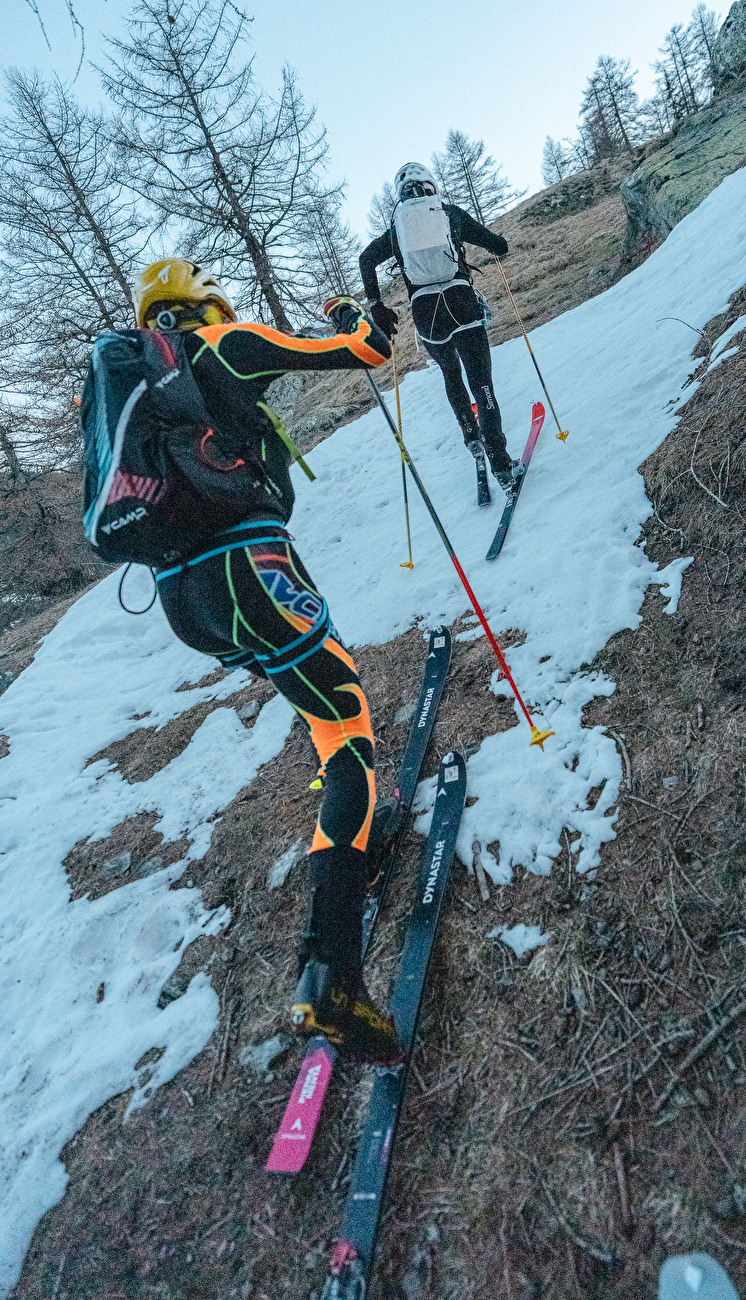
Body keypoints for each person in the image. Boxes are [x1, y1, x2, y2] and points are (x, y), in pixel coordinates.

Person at [130, 258, 401, 1065]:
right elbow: (365, 352)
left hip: (185, 600)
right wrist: (356, 309)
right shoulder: (225, 343)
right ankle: (331, 978)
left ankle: (344, 827)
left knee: (311, 698)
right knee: (346, 724)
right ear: (204, 301)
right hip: (252, 568)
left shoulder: (138, 387)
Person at [359, 161, 518, 490]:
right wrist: (496, 243)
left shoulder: (397, 229)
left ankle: (470, 438)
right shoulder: (449, 212)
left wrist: (376, 305)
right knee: (481, 383)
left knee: (451, 374)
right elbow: (497, 245)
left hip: (427, 312)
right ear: (432, 186)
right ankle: (501, 464)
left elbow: (365, 259)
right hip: (462, 301)